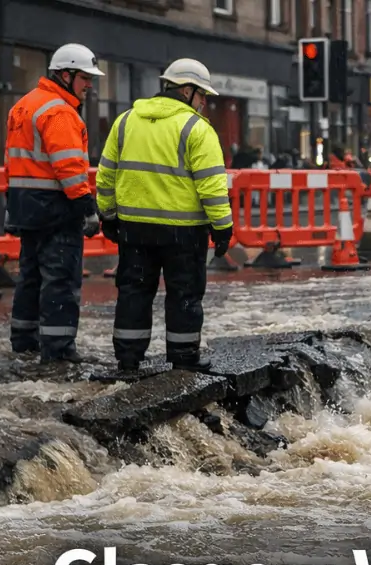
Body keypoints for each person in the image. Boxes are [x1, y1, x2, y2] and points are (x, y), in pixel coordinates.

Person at [95, 58, 233, 372]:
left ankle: (128, 361)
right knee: (184, 293)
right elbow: (212, 186)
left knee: (133, 291)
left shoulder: (126, 121)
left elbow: (105, 176)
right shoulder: (197, 129)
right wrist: (222, 228)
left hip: (135, 229)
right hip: (183, 233)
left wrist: (109, 216)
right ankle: (183, 359)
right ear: (186, 90)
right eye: (201, 96)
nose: (203, 102)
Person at [4, 43, 104, 363]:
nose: (89, 84)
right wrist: (86, 207)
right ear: (65, 75)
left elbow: (16, 162)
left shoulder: (23, 105)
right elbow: (69, 166)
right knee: (60, 279)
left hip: (26, 206)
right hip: (55, 208)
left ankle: (24, 341)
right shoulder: (59, 110)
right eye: (84, 78)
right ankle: (58, 351)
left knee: (30, 276)